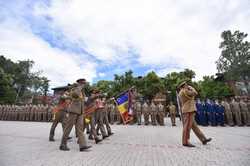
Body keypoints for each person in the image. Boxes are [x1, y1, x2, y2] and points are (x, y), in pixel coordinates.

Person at [59, 78, 91, 151]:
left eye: (84, 84)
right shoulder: (75, 89)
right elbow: (75, 94)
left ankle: (82, 145)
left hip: (80, 112)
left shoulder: (83, 92)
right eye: (83, 83)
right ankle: (63, 144)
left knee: (80, 128)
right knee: (68, 127)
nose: (84, 85)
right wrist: (79, 87)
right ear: (80, 83)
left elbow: (85, 101)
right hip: (73, 111)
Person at [178, 81, 212, 147]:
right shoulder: (184, 91)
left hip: (189, 110)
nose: (187, 86)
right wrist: (192, 88)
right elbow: (195, 93)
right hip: (188, 110)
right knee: (187, 127)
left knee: (195, 127)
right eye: (186, 85)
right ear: (183, 86)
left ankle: (203, 139)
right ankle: (185, 141)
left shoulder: (182, 91)